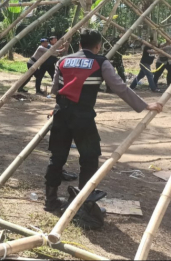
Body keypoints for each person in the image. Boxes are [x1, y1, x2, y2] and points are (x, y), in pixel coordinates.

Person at [44, 29, 162, 214]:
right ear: (98, 46)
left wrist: (58, 106)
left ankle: (50, 201)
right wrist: (145, 105)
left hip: (61, 115)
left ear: (80, 45)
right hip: (83, 118)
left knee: (57, 158)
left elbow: (55, 88)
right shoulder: (100, 62)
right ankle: (83, 202)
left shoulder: (63, 60)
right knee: (89, 159)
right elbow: (119, 87)